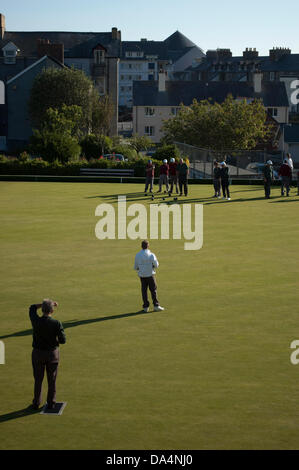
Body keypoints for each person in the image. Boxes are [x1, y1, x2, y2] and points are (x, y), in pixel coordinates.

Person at [29, 299, 66, 410]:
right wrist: (56, 342)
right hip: (52, 354)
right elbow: (63, 340)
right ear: (52, 311)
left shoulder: (35, 320)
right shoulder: (56, 323)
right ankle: (51, 402)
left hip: (37, 354)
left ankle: (36, 403)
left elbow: (32, 307)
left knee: (38, 379)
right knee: (52, 379)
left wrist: (45, 304)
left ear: (42, 310)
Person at [134, 240, 164, 313]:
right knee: (153, 290)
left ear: (141, 246)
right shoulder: (151, 255)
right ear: (148, 246)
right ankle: (156, 306)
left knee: (144, 291)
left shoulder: (137, 255)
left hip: (142, 276)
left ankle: (145, 307)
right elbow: (156, 265)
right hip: (150, 275)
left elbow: (135, 267)